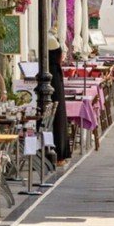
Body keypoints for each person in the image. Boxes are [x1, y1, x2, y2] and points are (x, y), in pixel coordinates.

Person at [48, 34, 71, 165]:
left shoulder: (51, 68)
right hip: (56, 89)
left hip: (55, 90)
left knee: (57, 119)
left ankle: (56, 153)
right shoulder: (55, 69)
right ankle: (59, 153)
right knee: (58, 119)